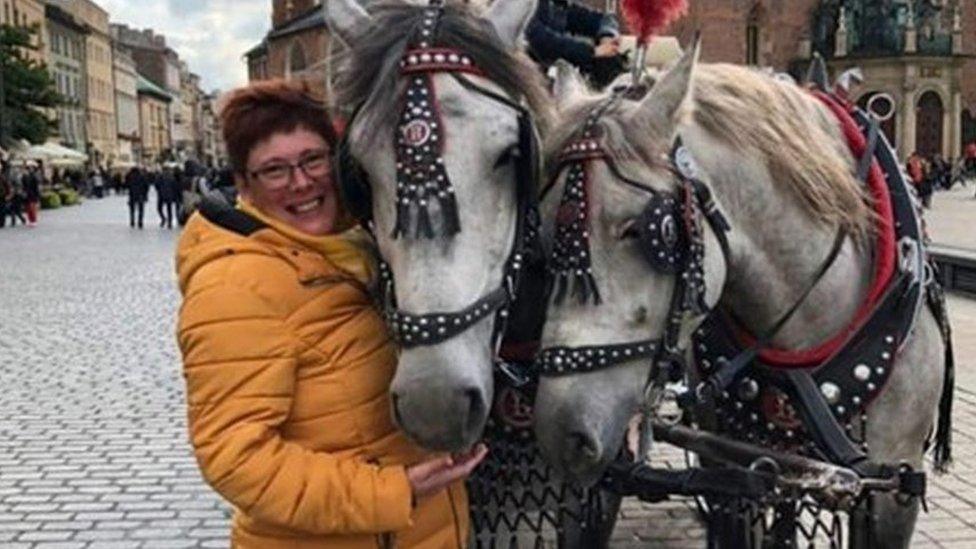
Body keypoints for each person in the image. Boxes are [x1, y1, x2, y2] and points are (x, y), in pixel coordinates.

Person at [175, 79, 485, 548]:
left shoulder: (360, 250)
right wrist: (393, 492)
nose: (301, 182)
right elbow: (235, 458)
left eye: (313, 159)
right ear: (243, 184)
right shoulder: (234, 287)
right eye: (274, 171)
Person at [526, 0, 623, 87]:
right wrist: (592, 52)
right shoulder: (523, 6)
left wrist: (606, 36)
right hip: (523, 80)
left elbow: (603, 20)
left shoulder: (556, 5)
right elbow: (543, 41)